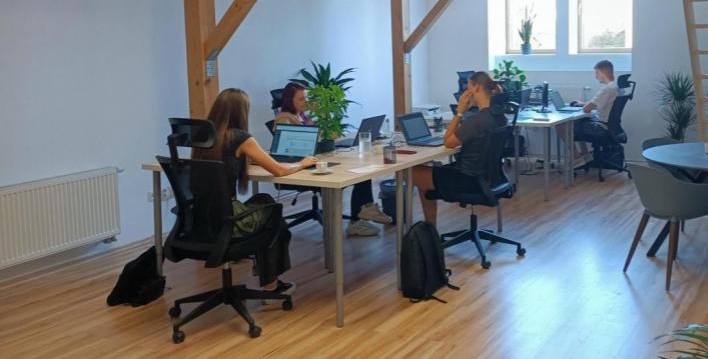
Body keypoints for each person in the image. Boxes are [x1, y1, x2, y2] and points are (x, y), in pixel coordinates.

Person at [193, 88, 313, 298]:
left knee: (263, 199)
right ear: (241, 112)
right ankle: (271, 286)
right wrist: (303, 163)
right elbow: (279, 170)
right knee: (274, 214)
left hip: (201, 219)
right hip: (228, 220)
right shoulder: (240, 138)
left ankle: (266, 277)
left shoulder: (203, 137)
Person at [275, 82, 391, 237]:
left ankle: (361, 215)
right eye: (301, 99)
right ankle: (358, 218)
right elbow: (297, 146)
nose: (306, 102)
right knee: (351, 171)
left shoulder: (303, 116)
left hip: (315, 159)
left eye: (306, 98)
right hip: (301, 167)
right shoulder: (284, 119)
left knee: (361, 168)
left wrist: (323, 115)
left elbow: (326, 136)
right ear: (290, 101)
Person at [411, 72, 507, 226]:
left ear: (476, 88)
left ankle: (429, 229)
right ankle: (429, 229)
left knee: (410, 172)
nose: (464, 93)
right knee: (429, 173)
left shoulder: (476, 121)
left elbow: (448, 142)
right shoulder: (499, 117)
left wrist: (460, 112)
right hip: (490, 176)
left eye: (468, 88)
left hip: (468, 179)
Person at [570, 60, 619, 158]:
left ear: (603, 72)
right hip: (610, 126)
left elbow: (587, 109)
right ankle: (584, 155)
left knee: (563, 126)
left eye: (597, 73)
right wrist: (582, 103)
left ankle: (576, 157)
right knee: (579, 121)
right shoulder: (615, 87)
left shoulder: (607, 89)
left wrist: (585, 105)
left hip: (601, 128)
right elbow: (596, 104)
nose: (596, 77)